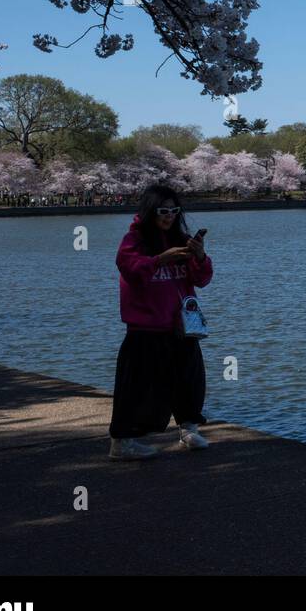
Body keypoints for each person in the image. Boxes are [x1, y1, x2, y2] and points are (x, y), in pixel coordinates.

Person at [108, 184, 213, 461]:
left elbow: (201, 279)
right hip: (145, 327)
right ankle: (122, 442)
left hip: (181, 326)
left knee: (189, 381)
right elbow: (130, 270)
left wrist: (200, 256)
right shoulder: (134, 240)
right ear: (150, 211)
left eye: (174, 211)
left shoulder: (182, 238)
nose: (168, 216)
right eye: (163, 211)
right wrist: (159, 260)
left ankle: (189, 429)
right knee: (136, 386)